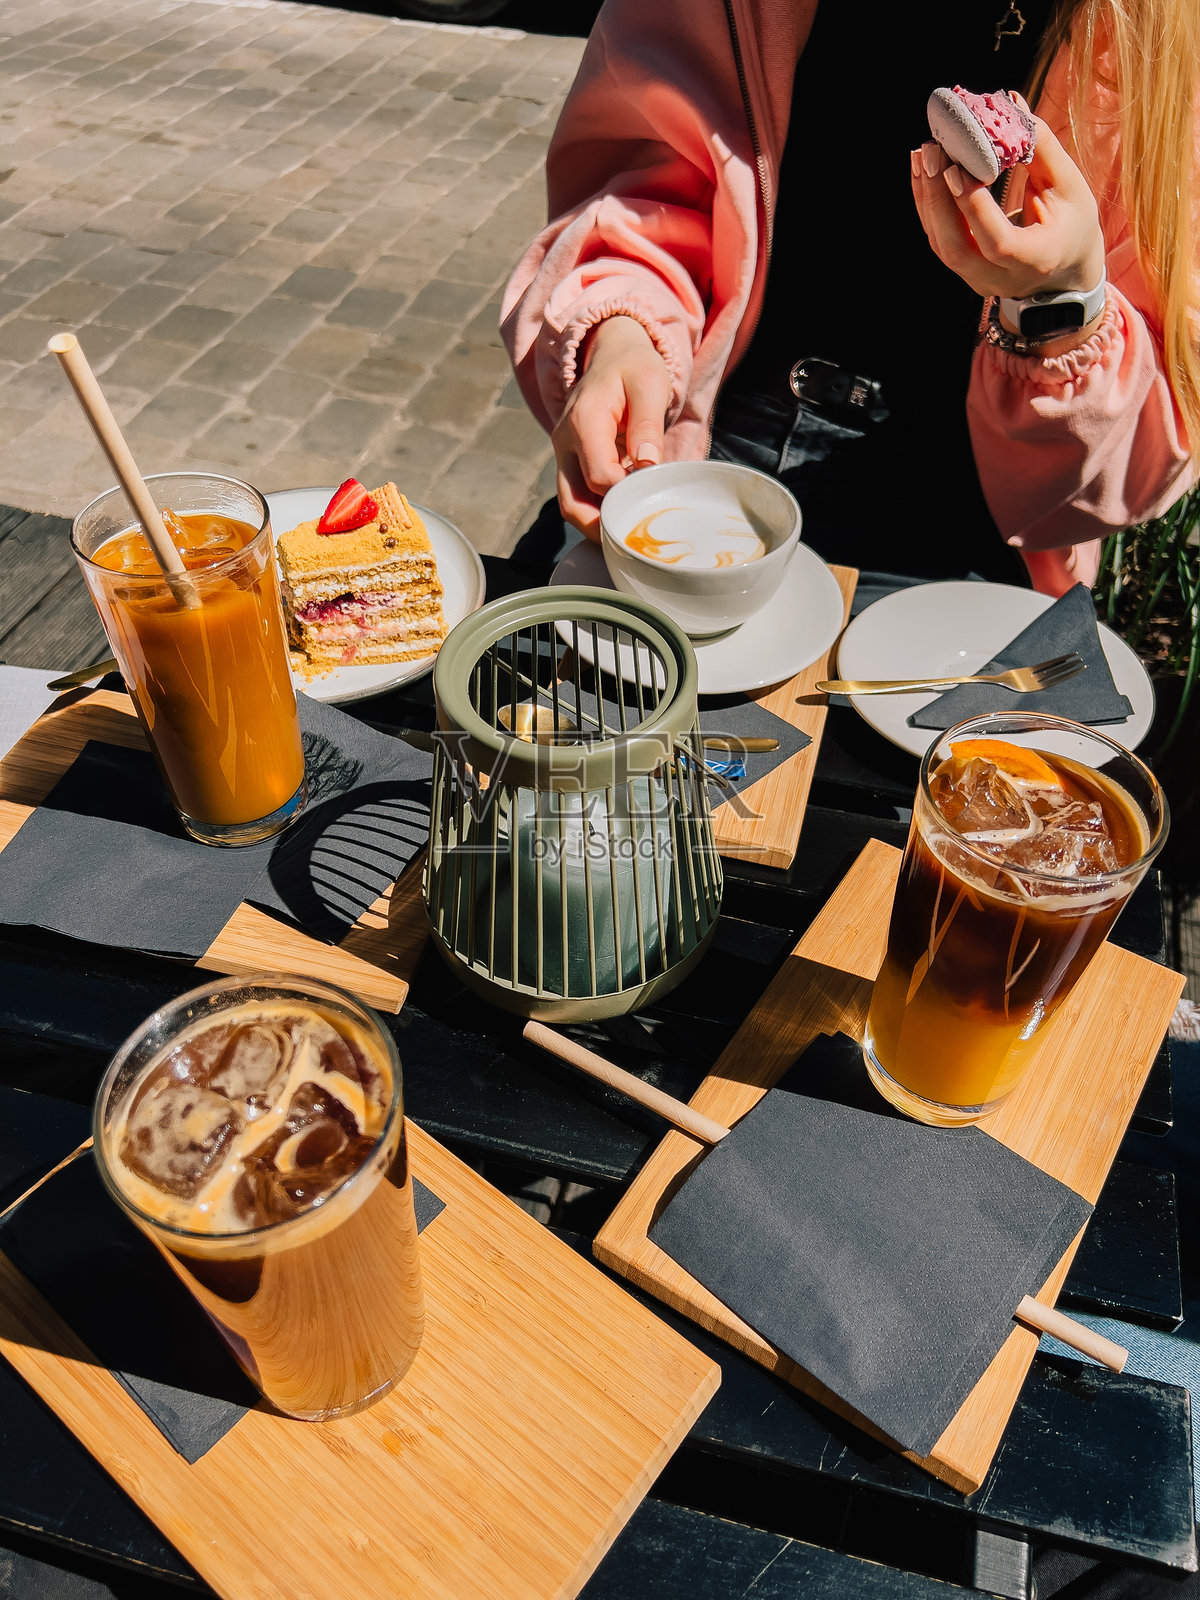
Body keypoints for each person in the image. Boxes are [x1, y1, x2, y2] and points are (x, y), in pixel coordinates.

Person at [500, 0, 1200, 602]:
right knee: (538, 719)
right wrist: (623, 327)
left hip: (971, 529)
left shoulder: (1163, 38)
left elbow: (1141, 456)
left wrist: (1059, 303)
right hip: (705, 439)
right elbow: (650, 175)